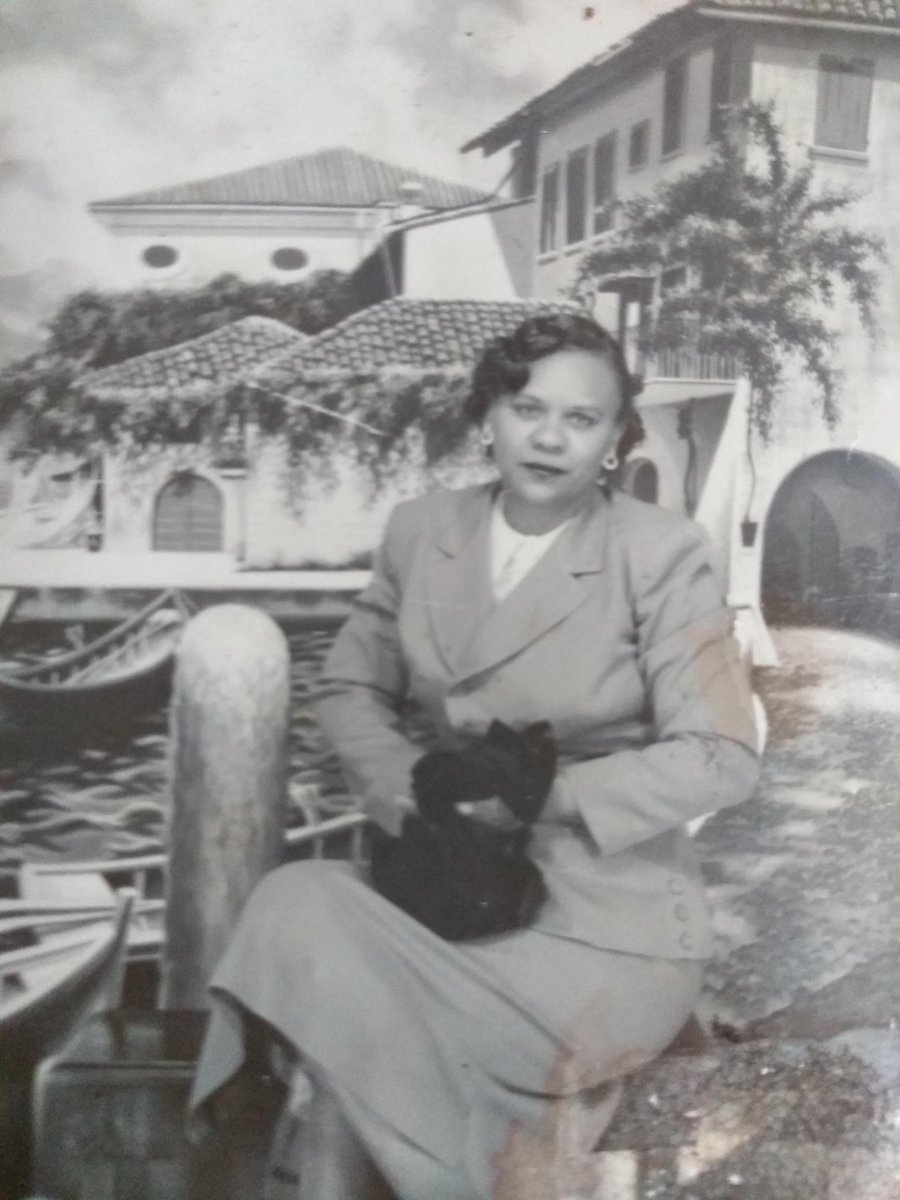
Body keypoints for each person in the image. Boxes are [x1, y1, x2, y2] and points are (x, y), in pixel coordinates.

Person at [189, 312, 761, 1199]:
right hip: (446, 887)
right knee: (293, 901)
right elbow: (349, 689)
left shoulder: (660, 552)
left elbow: (724, 755)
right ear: (488, 414)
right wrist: (415, 793)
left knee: (342, 1028)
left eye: (582, 419)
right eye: (527, 409)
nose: (549, 438)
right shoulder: (422, 530)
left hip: (604, 927)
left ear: (616, 439)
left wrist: (543, 795)